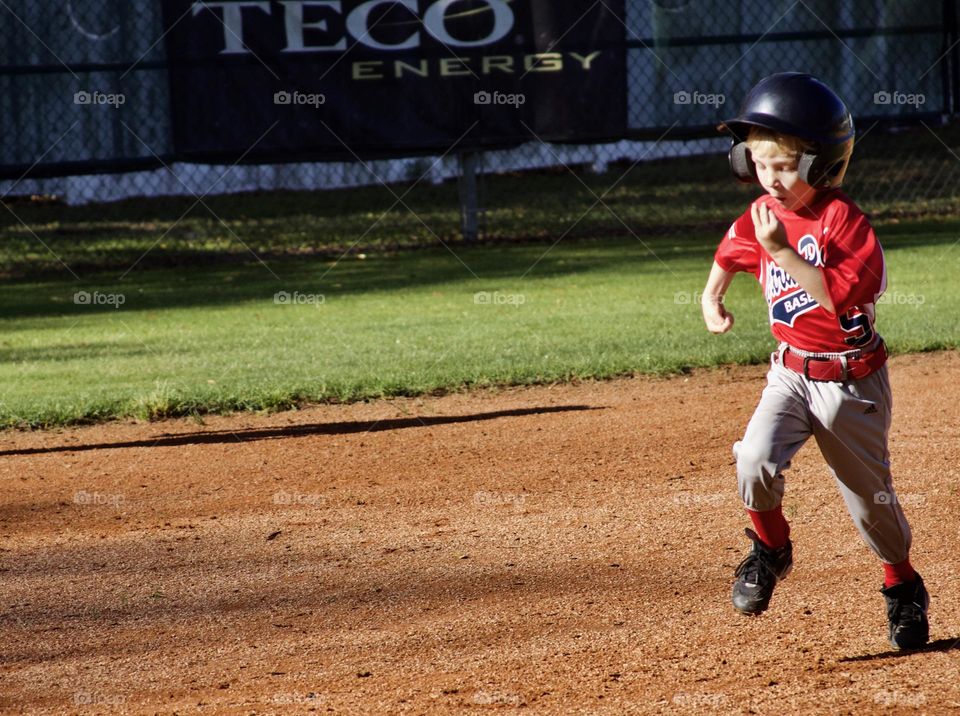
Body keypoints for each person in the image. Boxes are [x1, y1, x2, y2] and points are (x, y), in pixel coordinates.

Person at [700, 72, 929, 649]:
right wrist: (712, 296)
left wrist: (780, 250)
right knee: (753, 459)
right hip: (791, 371)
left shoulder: (846, 225)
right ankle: (770, 549)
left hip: (851, 385)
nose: (769, 178)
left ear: (822, 165)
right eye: (757, 162)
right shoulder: (762, 214)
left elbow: (836, 294)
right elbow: (732, 249)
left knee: (869, 504)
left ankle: (901, 584)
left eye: (784, 165)